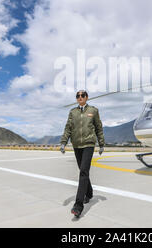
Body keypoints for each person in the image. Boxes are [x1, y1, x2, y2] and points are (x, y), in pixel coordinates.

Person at [60, 90, 105, 218]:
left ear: (87, 97)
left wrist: (101, 144)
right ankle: (89, 193)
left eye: (82, 95)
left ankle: (78, 205)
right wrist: (63, 142)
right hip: (76, 145)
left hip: (89, 144)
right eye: (77, 96)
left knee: (83, 171)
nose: (80, 97)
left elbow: (98, 128)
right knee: (83, 170)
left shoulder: (93, 110)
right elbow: (68, 127)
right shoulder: (72, 112)